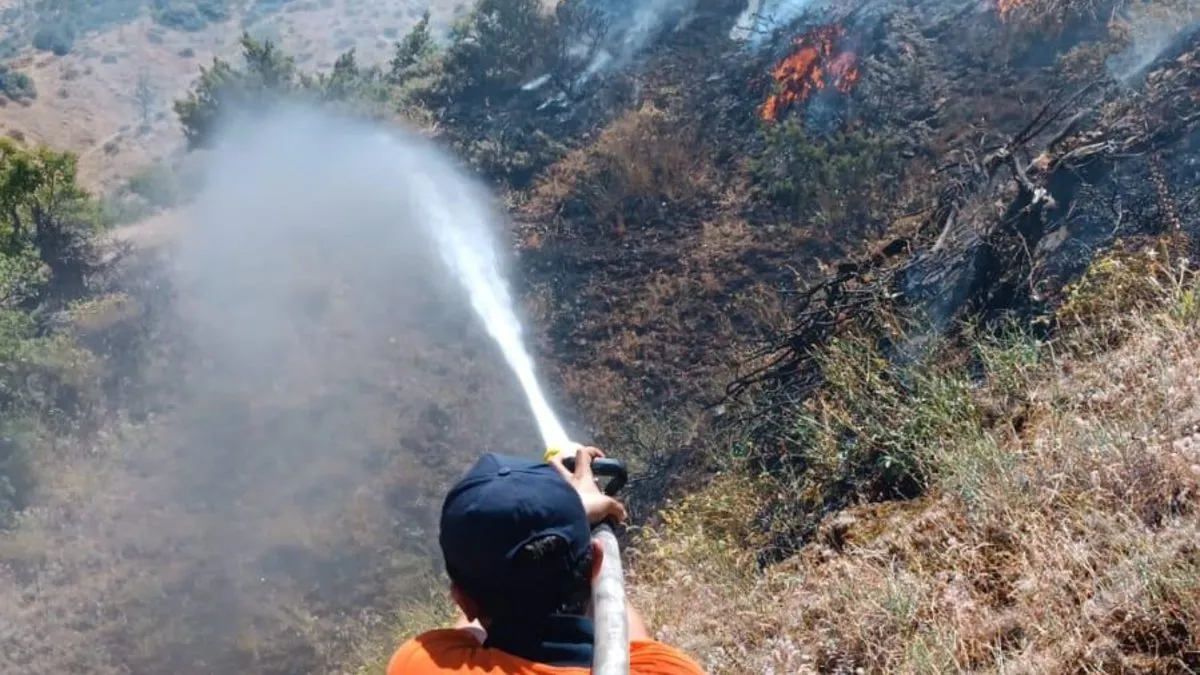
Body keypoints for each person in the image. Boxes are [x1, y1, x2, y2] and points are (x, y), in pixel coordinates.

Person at [387, 446, 707, 674]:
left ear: (462, 601)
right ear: (596, 565)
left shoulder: (417, 665)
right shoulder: (672, 670)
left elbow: (471, 631)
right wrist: (579, 522)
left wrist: (571, 517)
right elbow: (628, 638)